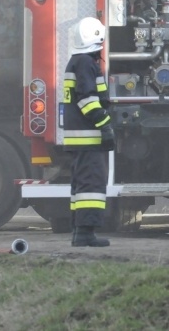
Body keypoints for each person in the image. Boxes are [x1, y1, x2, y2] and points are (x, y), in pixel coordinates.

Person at [62, 17, 115, 247]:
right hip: (88, 137)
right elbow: (88, 100)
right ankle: (85, 234)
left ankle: (79, 233)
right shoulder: (85, 63)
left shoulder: (77, 61)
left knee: (80, 186)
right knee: (91, 185)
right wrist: (104, 124)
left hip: (80, 138)